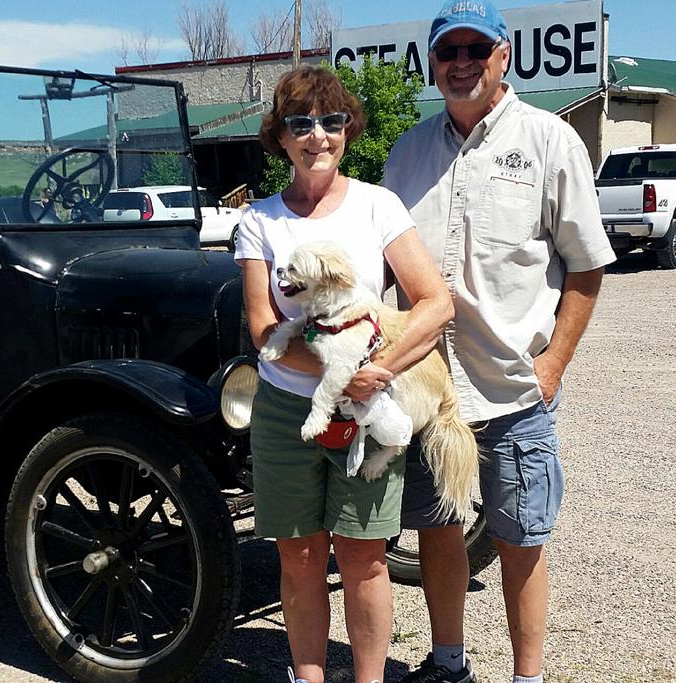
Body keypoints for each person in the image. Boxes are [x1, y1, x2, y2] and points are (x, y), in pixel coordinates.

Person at [381, 2, 616, 682]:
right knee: (437, 528)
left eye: (474, 50)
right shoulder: (408, 152)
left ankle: (527, 675)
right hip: (428, 391)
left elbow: (588, 264)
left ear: (502, 57)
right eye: (447, 50)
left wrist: (552, 365)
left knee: (519, 537)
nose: (460, 62)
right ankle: (449, 662)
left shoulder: (549, 142)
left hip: (513, 388)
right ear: (433, 63)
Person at [234, 65, 454, 683]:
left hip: (365, 410)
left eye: (331, 122)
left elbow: (434, 303)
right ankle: (308, 677)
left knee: (363, 559)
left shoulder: (378, 207)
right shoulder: (261, 220)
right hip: (287, 412)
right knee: (299, 556)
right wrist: (340, 372)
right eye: (300, 124)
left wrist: (373, 372)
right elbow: (262, 330)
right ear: (280, 137)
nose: (317, 137)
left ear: (347, 131)